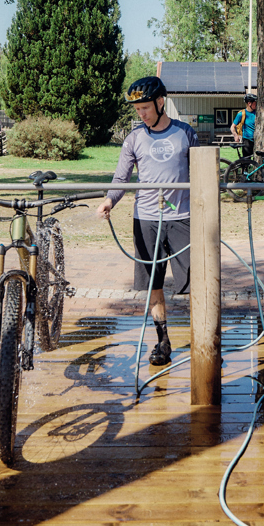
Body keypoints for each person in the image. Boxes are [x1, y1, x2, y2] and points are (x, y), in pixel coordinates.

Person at [96, 76, 199, 367]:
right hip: (146, 220)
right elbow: (121, 178)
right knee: (154, 283)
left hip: (182, 218)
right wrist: (109, 200)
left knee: (195, 282)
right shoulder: (134, 138)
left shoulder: (185, 133)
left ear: (160, 102)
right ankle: (163, 341)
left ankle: (203, 341)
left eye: (145, 108)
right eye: (137, 109)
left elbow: (201, 173)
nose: (141, 114)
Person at [231, 93, 258, 157]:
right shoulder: (241, 114)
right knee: (246, 160)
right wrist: (235, 135)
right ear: (249, 103)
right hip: (247, 141)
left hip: (257, 141)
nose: (256, 105)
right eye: (255, 103)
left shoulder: (258, 112)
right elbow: (232, 127)